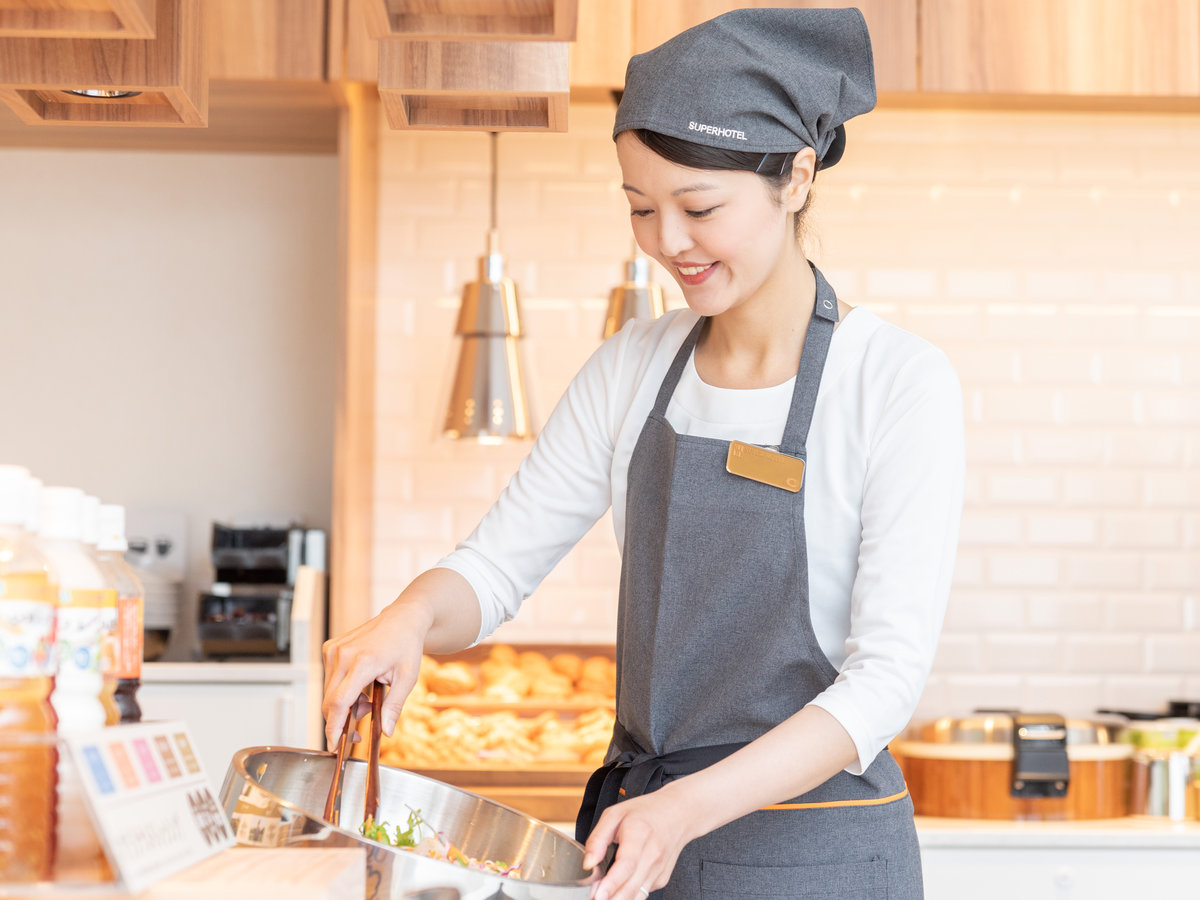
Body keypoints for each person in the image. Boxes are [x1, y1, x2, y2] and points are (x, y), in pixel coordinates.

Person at [322, 8, 964, 900]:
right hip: (642, 841)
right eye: (640, 209)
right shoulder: (634, 367)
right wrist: (410, 618)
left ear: (798, 177)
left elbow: (885, 681)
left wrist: (687, 809)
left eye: (700, 208)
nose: (668, 243)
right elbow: (496, 569)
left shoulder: (895, 381)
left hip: (816, 856)